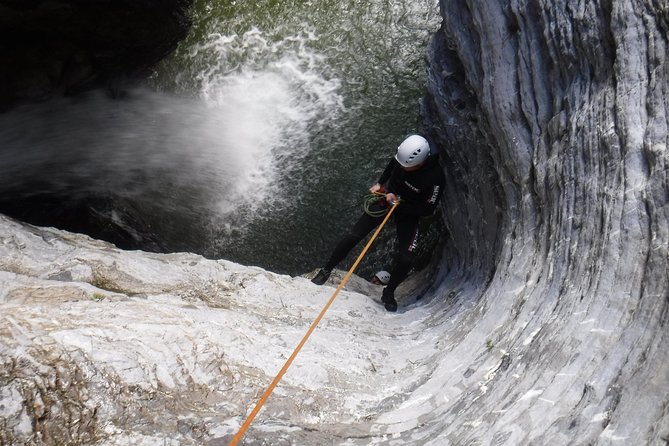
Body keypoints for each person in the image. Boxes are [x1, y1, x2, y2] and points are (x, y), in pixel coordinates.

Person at [311, 134, 446, 312]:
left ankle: (389, 292)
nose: (403, 169)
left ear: (420, 163)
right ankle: (326, 270)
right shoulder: (403, 158)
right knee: (354, 235)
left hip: (407, 210)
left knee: (407, 258)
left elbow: (428, 209)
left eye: (408, 167)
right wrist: (381, 183)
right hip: (388, 198)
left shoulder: (435, 178)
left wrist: (400, 206)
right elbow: (393, 164)